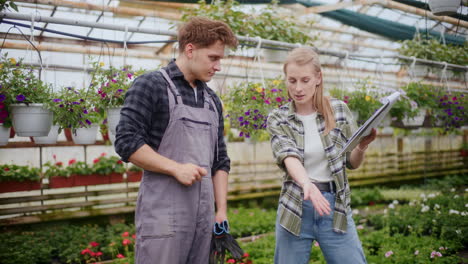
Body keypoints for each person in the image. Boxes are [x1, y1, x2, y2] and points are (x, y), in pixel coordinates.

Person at [114, 17, 238, 264]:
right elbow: (126, 140)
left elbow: (220, 160)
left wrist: (221, 210)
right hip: (164, 218)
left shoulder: (212, 100)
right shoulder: (151, 85)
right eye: (213, 58)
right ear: (190, 49)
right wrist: (175, 168)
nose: (218, 66)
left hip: (203, 219)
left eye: (220, 59)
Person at [266, 47, 377, 264]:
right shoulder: (278, 118)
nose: (298, 88)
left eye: (305, 80)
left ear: (318, 78)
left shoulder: (339, 110)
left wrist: (362, 146)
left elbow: (351, 163)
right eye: (292, 80)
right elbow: (288, 156)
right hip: (296, 205)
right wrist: (307, 184)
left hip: (334, 207)